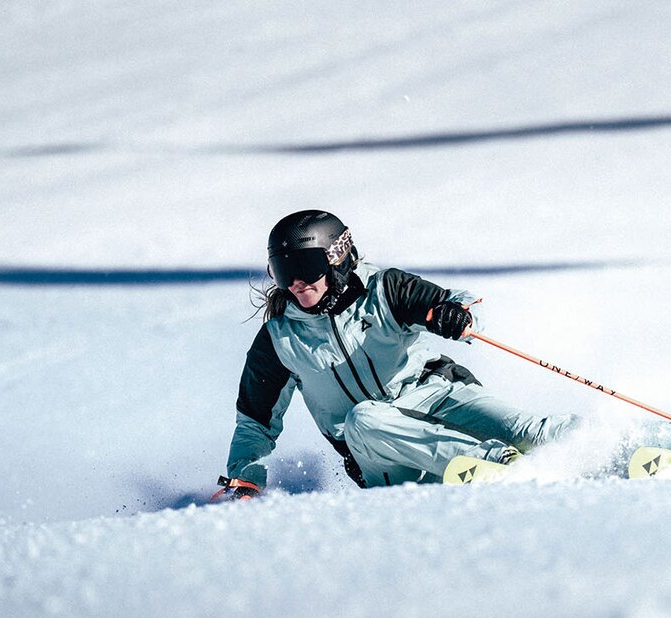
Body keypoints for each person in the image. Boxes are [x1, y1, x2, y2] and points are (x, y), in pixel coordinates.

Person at [213, 209, 583, 500]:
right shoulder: (280, 337)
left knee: (531, 432)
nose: (296, 282)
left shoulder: (383, 289)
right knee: (362, 418)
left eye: (306, 267)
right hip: (379, 449)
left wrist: (457, 314)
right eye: (283, 271)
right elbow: (254, 423)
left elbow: (461, 303)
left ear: (336, 256)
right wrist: (245, 480)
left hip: (436, 397)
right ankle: (496, 464)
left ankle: (621, 447)